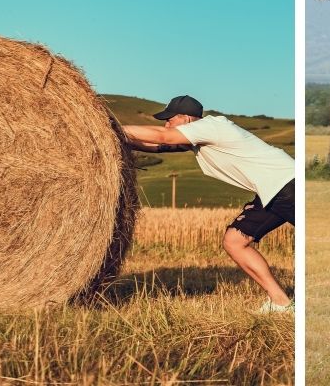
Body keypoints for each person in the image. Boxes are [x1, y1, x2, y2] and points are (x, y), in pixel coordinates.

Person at [122, 94, 295, 313]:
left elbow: (163, 136)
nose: (167, 124)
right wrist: (119, 139)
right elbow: (158, 146)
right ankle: (281, 303)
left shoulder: (212, 126)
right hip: (270, 190)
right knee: (234, 241)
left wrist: (109, 126)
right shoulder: (201, 138)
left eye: (170, 119)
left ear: (186, 119)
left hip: (288, 185)